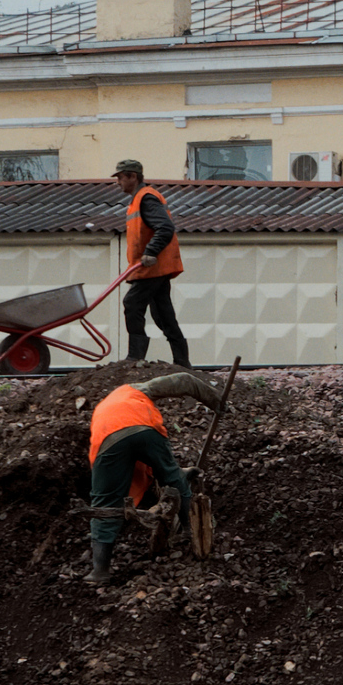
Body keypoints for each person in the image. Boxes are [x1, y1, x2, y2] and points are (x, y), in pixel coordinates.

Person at [85, 377, 200, 586]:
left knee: (105, 503)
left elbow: (113, 472)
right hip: (146, 429)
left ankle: (100, 571)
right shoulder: (136, 392)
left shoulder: (103, 409)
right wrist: (216, 402)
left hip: (110, 438)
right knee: (172, 477)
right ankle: (188, 530)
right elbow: (185, 381)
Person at [111, 160, 192, 368]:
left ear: (133, 176)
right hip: (154, 268)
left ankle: (135, 357)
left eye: (120, 177)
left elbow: (165, 227)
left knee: (132, 303)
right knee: (163, 314)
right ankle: (182, 362)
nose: (118, 182)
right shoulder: (138, 200)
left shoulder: (146, 198)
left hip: (151, 267)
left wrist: (150, 252)